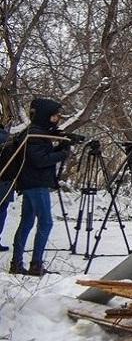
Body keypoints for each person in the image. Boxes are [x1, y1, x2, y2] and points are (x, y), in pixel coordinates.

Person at [10, 98, 72, 276]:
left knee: (27, 222)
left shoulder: (36, 132)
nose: (56, 120)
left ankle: (17, 263)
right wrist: (63, 153)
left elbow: (41, 155)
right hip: (36, 184)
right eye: (54, 116)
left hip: (31, 183)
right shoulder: (34, 134)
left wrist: (61, 145)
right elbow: (40, 160)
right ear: (45, 115)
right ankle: (36, 264)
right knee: (45, 222)